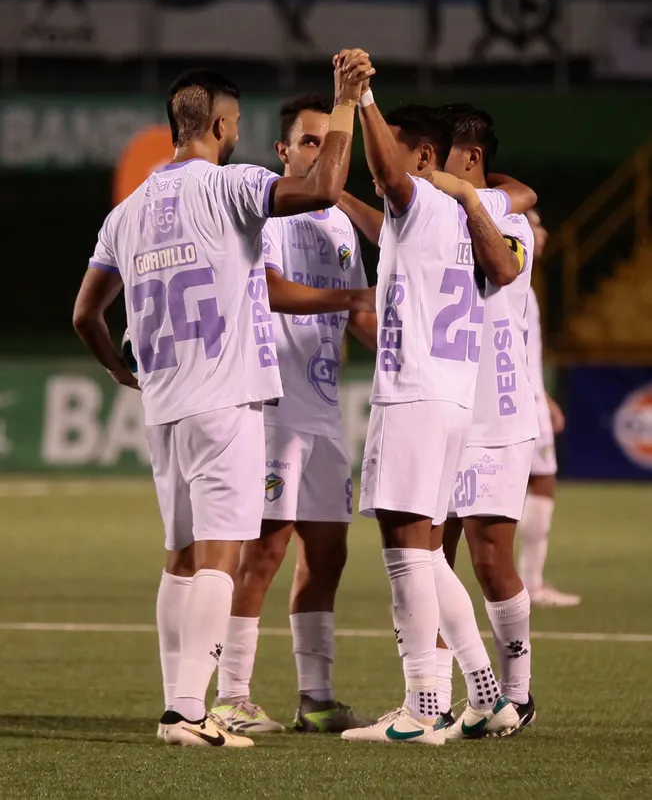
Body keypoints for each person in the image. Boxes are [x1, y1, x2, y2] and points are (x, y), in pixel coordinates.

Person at [72, 54, 375, 748]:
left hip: (165, 406)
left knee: (179, 558)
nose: (235, 132)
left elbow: (85, 315)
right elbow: (327, 187)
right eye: (233, 123)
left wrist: (121, 370)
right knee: (220, 558)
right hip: (228, 399)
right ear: (215, 124)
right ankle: (188, 711)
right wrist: (345, 105)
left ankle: (179, 703)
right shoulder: (233, 186)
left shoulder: (126, 214)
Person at [338, 67, 530, 745]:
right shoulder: (451, 211)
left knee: (403, 550)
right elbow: (499, 261)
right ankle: (485, 692)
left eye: (391, 145)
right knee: (424, 550)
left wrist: (360, 100)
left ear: (420, 154)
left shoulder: (419, 194)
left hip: (414, 392)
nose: (379, 160)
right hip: (448, 397)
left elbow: (390, 181)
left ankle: (423, 707)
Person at [212, 93, 376, 735]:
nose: (318, 151)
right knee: (265, 551)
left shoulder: (339, 220)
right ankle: (232, 695)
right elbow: (272, 291)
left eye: (326, 141)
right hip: (274, 407)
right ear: (283, 151)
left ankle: (317, 698)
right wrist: (354, 294)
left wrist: (399, 341)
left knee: (328, 554)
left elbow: (356, 315)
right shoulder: (270, 210)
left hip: (325, 411)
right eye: (308, 142)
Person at [430, 104, 538, 735]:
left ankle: (518, 692)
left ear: (469, 160)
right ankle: (433, 697)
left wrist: (473, 193)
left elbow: (513, 216)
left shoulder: (504, 217)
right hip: (443, 412)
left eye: (440, 155)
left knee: (489, 558)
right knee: (428, 553)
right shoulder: (446, 213)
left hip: (497, 418)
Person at [518, 209, 580, 607]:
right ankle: (530, 583)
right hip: (517, 400)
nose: (543, 232)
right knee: (539, 482)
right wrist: (533, 398)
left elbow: (522, 352)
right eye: (534, 223)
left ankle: (527, 582)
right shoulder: (511, 283)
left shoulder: (523, 284)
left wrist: (546, 397)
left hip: (529, 396)